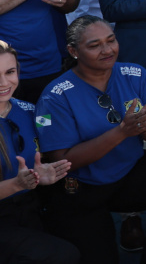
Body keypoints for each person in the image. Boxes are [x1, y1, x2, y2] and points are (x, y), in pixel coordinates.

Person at [36, 16, 146, 264]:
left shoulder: (135, 73)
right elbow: (62, 160)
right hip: (82, 186)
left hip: (128, 172)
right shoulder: (56, 94)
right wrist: (122, 131)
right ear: (73, 51)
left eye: (111, 40)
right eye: (95, 45)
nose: (107, 50)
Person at [0, 40, 79, 264]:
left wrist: (41, 175)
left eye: (10, 72)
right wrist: (17, 184)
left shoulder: (30, 111)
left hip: (30, 206)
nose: (4, 83)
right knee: (61, 255)